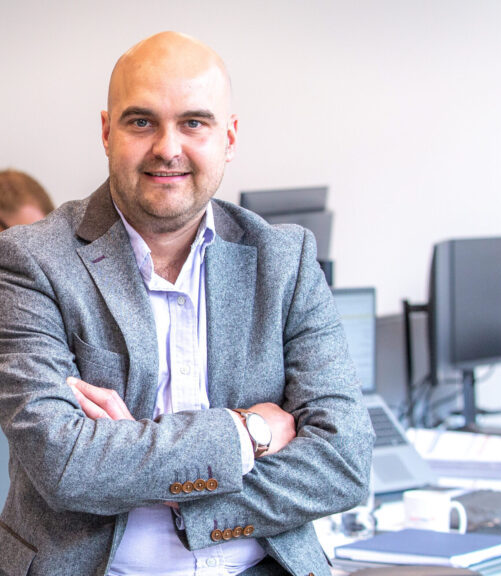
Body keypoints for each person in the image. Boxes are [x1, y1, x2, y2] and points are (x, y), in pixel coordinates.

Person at [0, 31, 373, 576]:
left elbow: (344, 461)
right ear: (107, 131)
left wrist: (170, 488)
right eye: (141, 121)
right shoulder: (31, 260)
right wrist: (250, 433)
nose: (168, 147)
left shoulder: (285, 260)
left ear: (230, 137)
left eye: (194, 122)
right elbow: (66, 464)